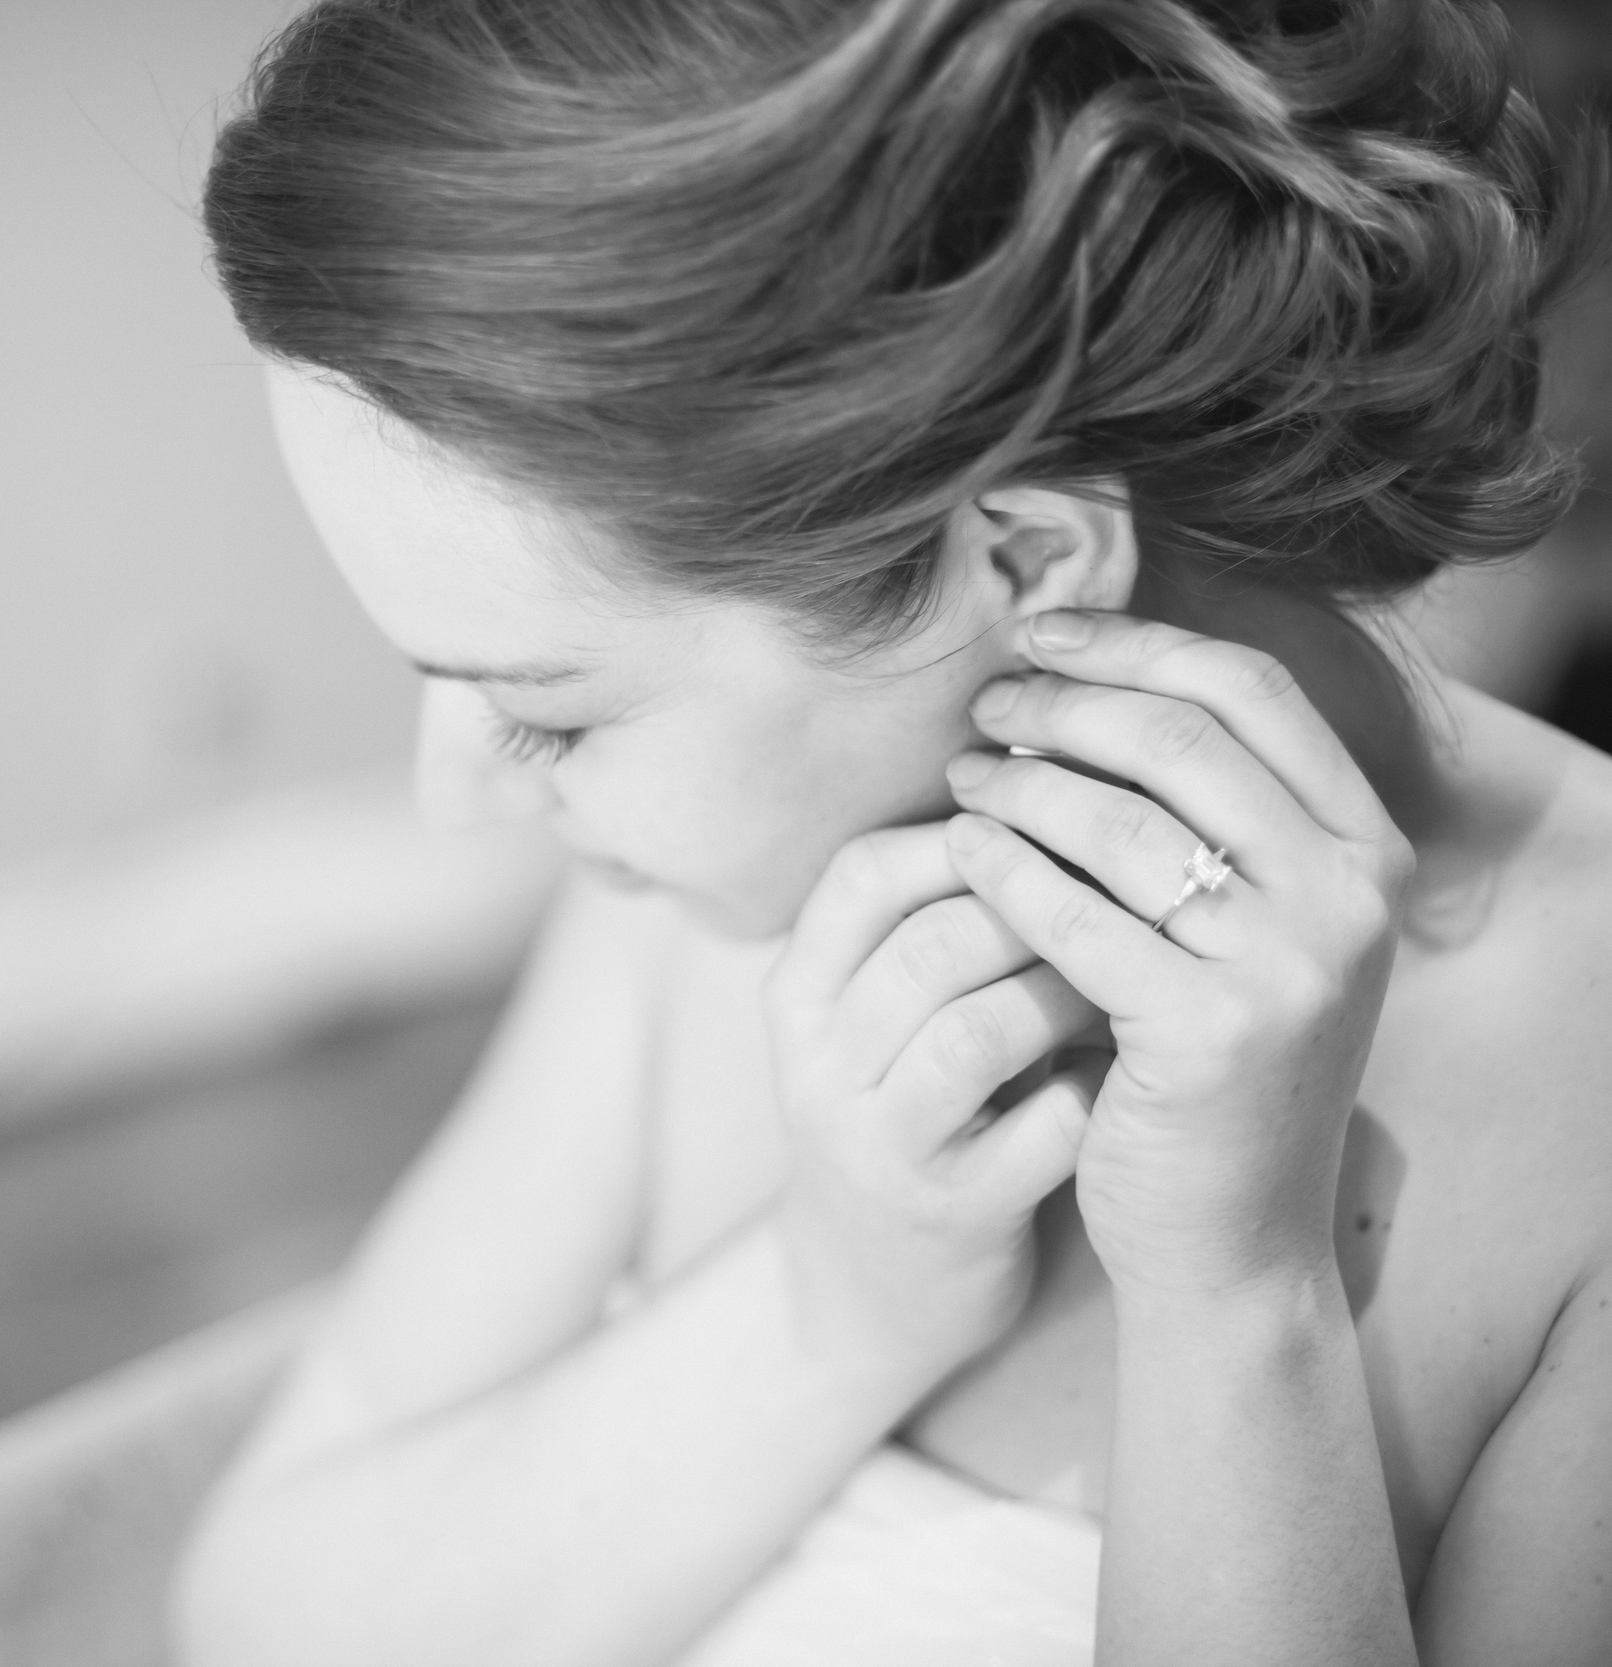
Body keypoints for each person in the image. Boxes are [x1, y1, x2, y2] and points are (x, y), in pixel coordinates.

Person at [171, 0, 1612, 1662]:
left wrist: (1240, 1301)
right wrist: (830, 1312)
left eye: (549, 711)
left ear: (1025, 566)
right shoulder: (700, 897)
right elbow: (257, 1624)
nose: (458, 796)